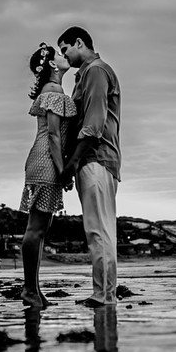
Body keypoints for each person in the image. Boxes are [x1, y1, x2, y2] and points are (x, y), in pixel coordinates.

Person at [57, 26, 122, 308]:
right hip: (97, 160)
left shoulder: (95, 71)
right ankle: (106, 293)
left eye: (65, 49)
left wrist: (70, 165)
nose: (64, 56)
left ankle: (103, 295)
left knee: (98, 231)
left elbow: (93, 125)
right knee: (101, 230)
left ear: (79, 42)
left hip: (96, 158)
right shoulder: (86, 75)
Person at [19, 42, 76, 308]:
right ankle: (29, 289)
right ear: (52, 65)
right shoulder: (54, 90)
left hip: (44, 160)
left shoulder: (52, 90)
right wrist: (63, 170)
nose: (65, 57)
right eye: (60, 55)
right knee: (36, 229)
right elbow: (54, 135)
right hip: (46, 161)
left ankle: (34, 290)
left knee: (40, 229)